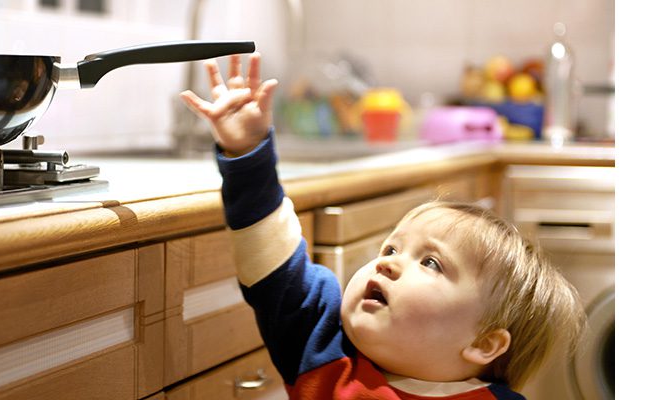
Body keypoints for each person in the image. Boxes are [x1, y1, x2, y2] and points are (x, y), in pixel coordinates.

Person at [179, 53, 586, 400]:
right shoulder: (324, 355)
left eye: (431, 263)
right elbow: (274, 264)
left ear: (483, 344)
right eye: (390, 249)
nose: (387, 264)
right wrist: (248, 154)